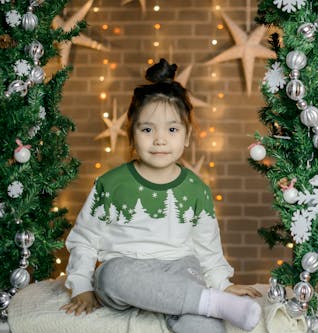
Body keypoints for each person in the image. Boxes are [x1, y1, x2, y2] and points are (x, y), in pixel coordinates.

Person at [60, 59, 262, 333]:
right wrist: (81, 285)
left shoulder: (196, 189)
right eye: (147, 129)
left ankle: (210, 302)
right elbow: (85, 238)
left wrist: (223, 284)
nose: (159, 139)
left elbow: (207, 247)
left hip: (179, 270)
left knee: (203, 321)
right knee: (109, 276)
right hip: (127, 271)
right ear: (131, 135)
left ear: (187, 136)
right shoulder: (111, 184)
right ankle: (207, 301)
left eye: (172, 129)